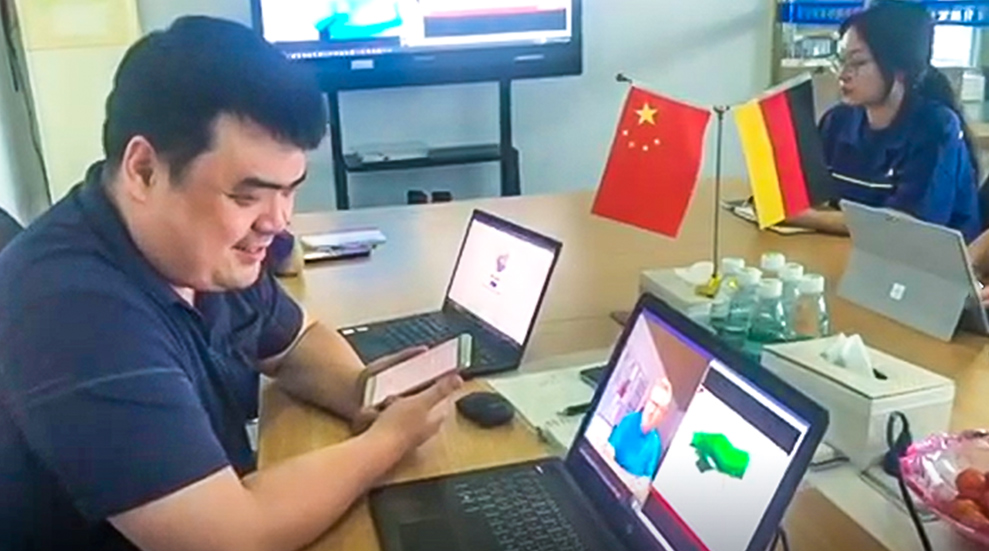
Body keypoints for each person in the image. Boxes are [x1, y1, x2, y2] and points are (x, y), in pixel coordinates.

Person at [0, 16, 461, 551]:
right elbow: (229, 536)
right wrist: (388, 440)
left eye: (289, 190)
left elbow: (294, 341)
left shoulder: (193, 250)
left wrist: (360, 393)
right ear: (144, 169)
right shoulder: (72, 311)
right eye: (247, 197)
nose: (278, 222)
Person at [790, 1, 981, 241]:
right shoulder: (837, 121)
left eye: (858, 63)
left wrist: (805, 217)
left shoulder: (936, 128)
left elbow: (906, 225)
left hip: (923, 259)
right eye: (841, 60)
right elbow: (814, 195)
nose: (843, 74)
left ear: (900, 68)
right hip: (856, 249)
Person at [607, 379, 673, 480]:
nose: (652, 411)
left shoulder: (655, 445)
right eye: (652, 403)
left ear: (663, 414)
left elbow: (645, 480)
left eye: (658, 408)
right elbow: (609, 449)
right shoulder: (628, 420)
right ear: (646, 402)